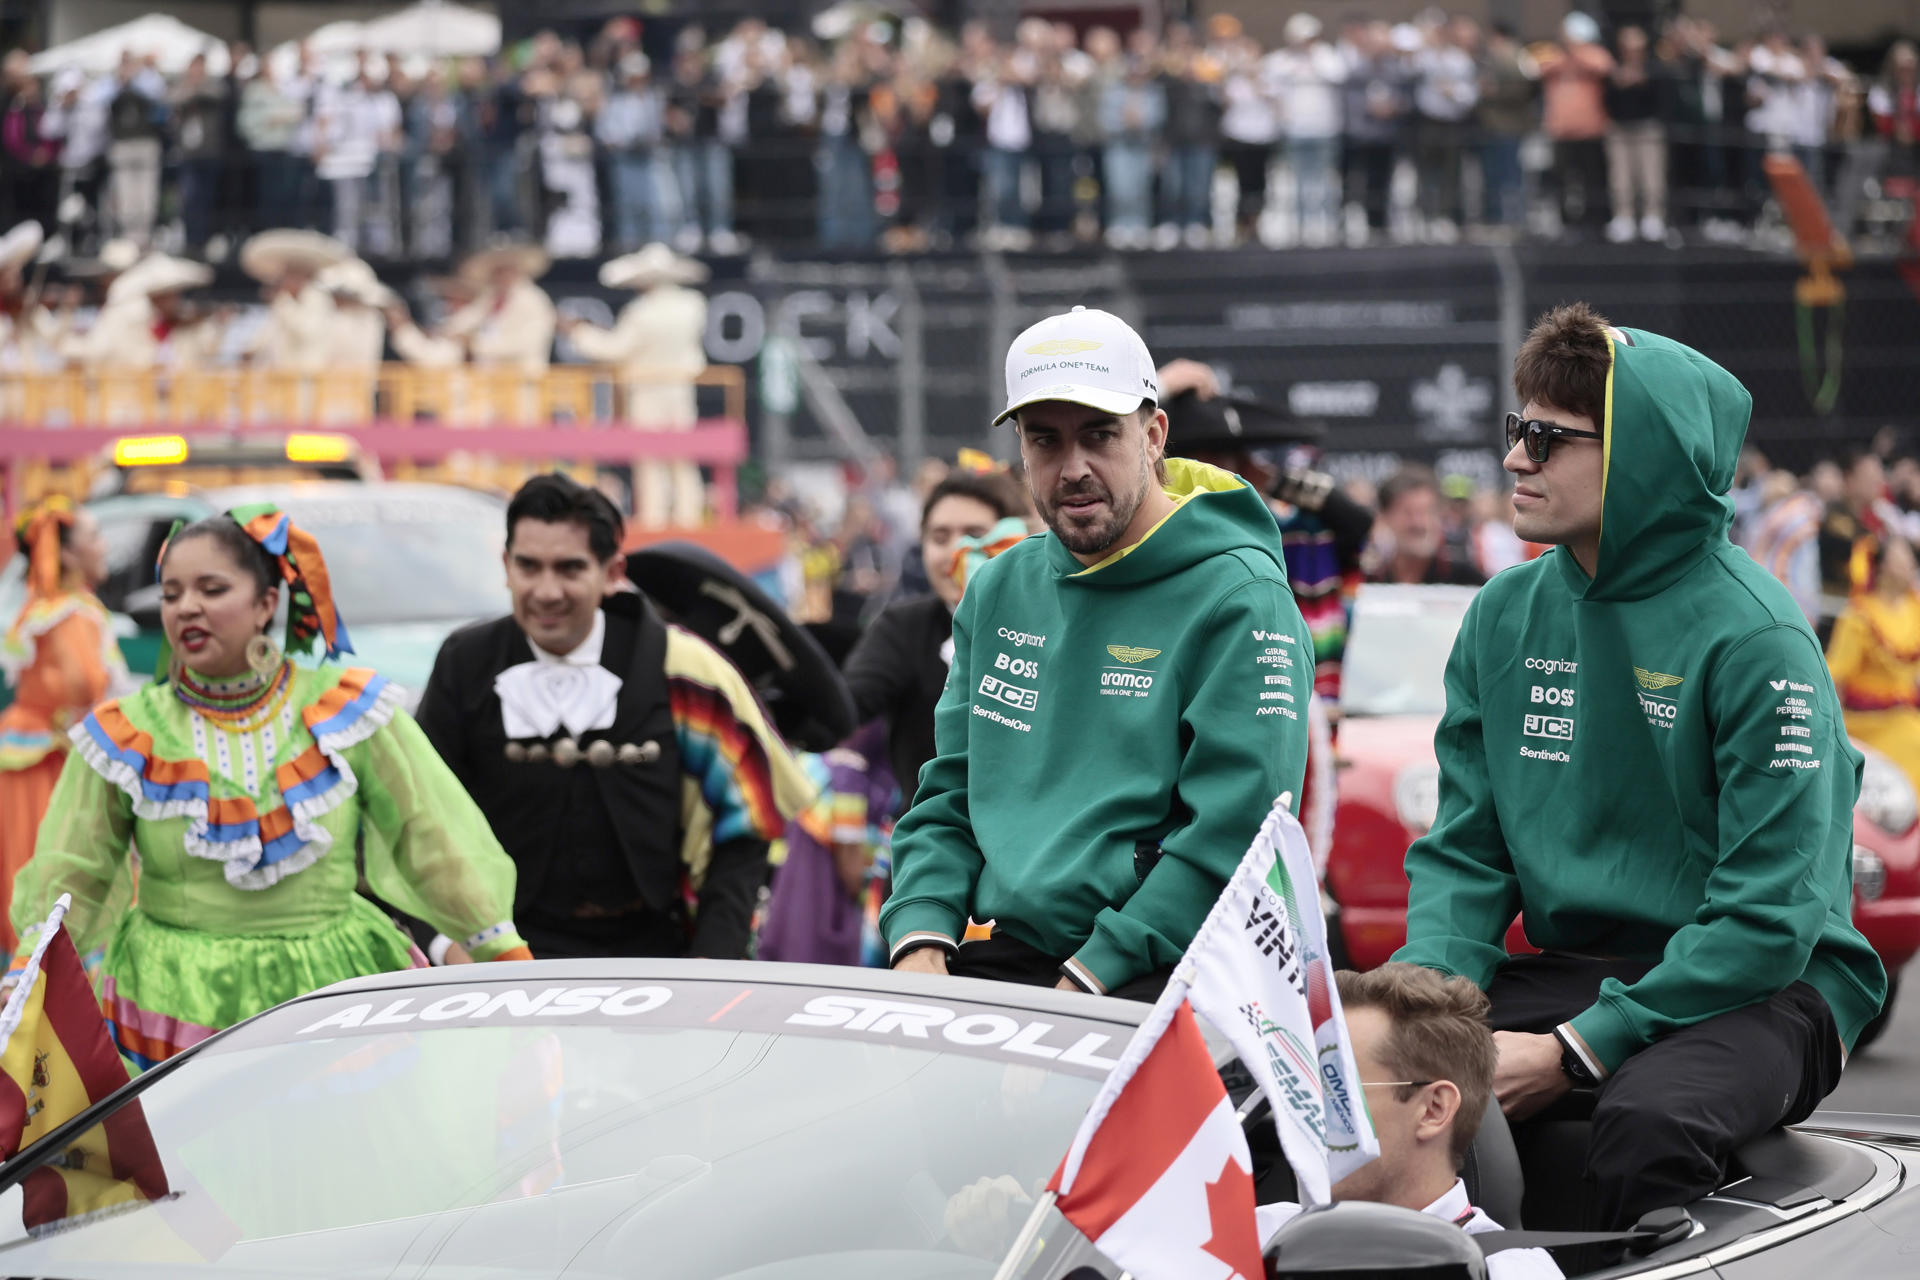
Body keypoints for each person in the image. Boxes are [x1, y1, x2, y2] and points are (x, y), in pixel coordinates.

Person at [1393, 302, 1886, 1232]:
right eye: (1516, 429)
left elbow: (1768, 919)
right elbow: (1465, 853)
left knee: (1644, 1124)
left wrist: (1579, 1050)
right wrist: (1422, 1003)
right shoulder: (1503, 614)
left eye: (1548, 437)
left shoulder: (1760, 638)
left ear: (1643, 455)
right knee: (1365, 1076)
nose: (1514, 460)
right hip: (1585, 962)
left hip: (1772, 984)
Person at [881, 306, 1314, 999]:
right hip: (1010, 959)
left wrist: (1089, 977)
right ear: (1020, 449)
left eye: (1100, 435)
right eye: (1046, 440)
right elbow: (952, 792)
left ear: (1153, 436)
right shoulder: (998, 585)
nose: (1073, 467)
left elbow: (1237, 842)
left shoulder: (1242, 597)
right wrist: (920, 937)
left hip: (1175, 970)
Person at [12, 506, 531, 1069]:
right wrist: (24, 978)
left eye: (212, 589)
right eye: (171, 594)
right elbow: (74, 874)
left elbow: (432, 839)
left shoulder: (346, 709)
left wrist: (500, 950)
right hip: (177, 998)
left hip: (333, 991)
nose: (187, 607)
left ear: (265, 604)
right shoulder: (124, 734)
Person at [945, 963, 1561, 1280]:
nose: (1299, 1106)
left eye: (1333, 1087)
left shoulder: (1508, 1270)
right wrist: (1006, 1237)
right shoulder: (1246, 1235)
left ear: (1434, 1108)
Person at [414, 473, 813, 962]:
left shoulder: (686, 670)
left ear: (612, 572)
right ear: (505, 566)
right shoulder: (464, 663)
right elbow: (415, 819)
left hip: (657, 951)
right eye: (529, 567)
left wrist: (712, 966)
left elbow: (742, 832)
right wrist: (445, 946)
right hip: (501, 955)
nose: (546, 590)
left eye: (569, 569)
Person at [843, 469, 1026, 806]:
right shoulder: (903, 626)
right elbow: (849, 704)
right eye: (940, 538)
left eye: (974, 535)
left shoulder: (1043, 622)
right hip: (931, 839)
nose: (957, 552)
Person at [0, 499, 128, 954]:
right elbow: (83, 686)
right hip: (50, 761)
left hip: (30, 754)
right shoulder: (71, 613)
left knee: (33, 871)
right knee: (59, 875)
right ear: (69, 554)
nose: (104, 546)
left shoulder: (45, 607)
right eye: (95, 537)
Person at [560, 243, 709, 530]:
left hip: (647, 389)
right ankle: (689, 518)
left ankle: (654, 520)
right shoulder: (694, 305)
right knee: (682, 457)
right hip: (680, 388)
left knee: (650, 459)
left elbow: (615, 348)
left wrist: (579, 332)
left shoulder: (642, 312)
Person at [1827, 536, 1920, 790]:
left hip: (1907, 713)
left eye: (1910, 558)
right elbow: (1836, 675)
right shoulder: (1859, 616)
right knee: (1914, 743)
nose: (1910, 564)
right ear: (1882, 567)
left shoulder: (1915, 608)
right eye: (1902, 558)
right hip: (1870, 721)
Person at [1368, 466, 1485, 586]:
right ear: (1385, 516)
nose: (1419, 524)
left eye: (1427, 512)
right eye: (1408, 512)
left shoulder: (1466, 579)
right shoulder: (1369, 579)